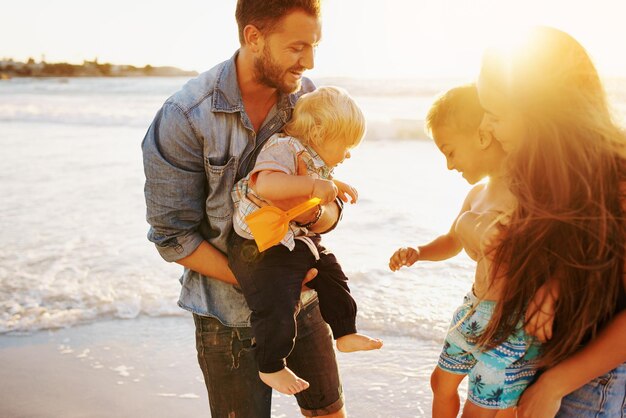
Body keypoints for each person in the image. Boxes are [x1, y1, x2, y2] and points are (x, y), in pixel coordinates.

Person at [141, 1, 349, 416]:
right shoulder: (184, 116)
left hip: (304, 301)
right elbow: (172, 236)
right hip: (226, 318)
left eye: (314, 46)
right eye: (296, 47)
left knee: (328, 413)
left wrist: (313, 213)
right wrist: (264, 281)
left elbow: (332, 204)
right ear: (253, 37)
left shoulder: (308, 100)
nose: (308, 61)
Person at [476, 26, 626, 417]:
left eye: (494, 114)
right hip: (548, 369)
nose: (486, 128)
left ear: (540, 113)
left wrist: (557, 384)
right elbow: (584, 250)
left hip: (591, 381)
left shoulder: (618, 179)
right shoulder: (542, 177)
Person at [389, 84, 540, 417]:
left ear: (483, 137)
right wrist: (418, 251)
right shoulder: (477, 195)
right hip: (473, 310)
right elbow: (452, 240)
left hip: (510, 319)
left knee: (484, 405)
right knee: (440, 383)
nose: (448, 165)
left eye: (450, 151)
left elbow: (546, 254)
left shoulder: (525, 193)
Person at [228, 86, 383, 395]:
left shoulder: (310, 157)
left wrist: (332, 184)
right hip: (259, 242)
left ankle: (345, 331)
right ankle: (270, 366)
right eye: (346, 144)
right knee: (278, 300)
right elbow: (269, 184)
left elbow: (314, 192)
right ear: (319, 132)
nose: (349, 153)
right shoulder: (283, 146)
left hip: (291, 237)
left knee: (331, 272)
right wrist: (314, 185)